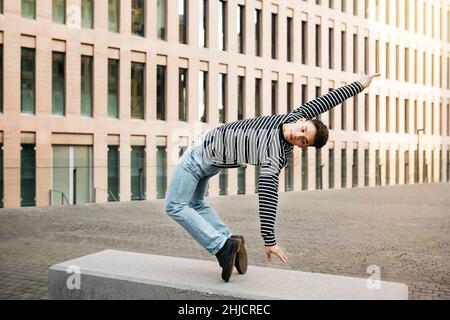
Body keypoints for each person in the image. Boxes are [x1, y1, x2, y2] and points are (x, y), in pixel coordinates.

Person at [164, 73, 381, 282]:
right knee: (196, 204)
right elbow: (327, 101)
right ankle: (228, 240)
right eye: (303, 129)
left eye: (303, 141)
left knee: (174, 205)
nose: (297, 135)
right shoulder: (294, 116)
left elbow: (268, 195)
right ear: (303, 119)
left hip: (199, 158)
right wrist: (360, 84)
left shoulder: (276, 156)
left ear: (302, 148)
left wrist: (270, 240)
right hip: (211, 160)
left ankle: (221, 247)